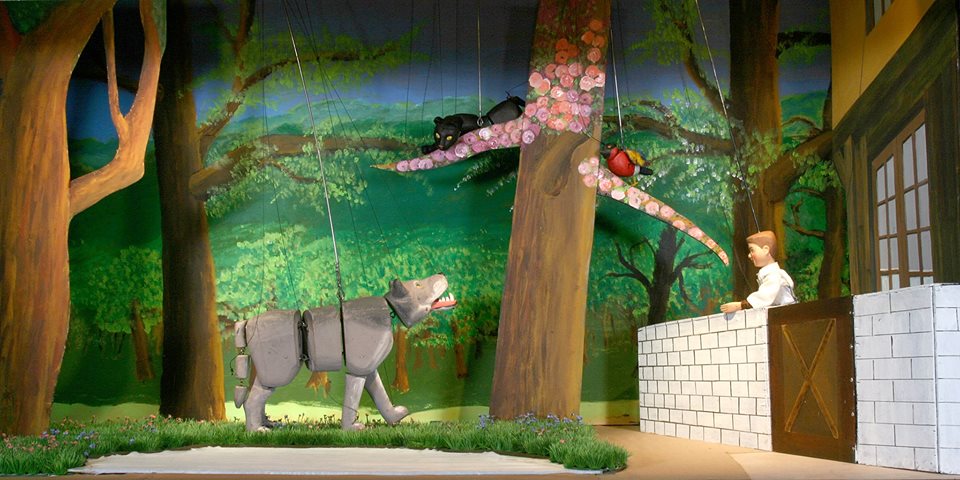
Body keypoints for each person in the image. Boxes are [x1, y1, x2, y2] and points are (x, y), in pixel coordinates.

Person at [720, 230, 796, 313]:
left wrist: (740, 305)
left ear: (766, 250)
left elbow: (765, 296)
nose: (749, 255)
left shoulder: (774, 275)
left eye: (752, 250)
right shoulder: (769, 274)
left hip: (787, 314)